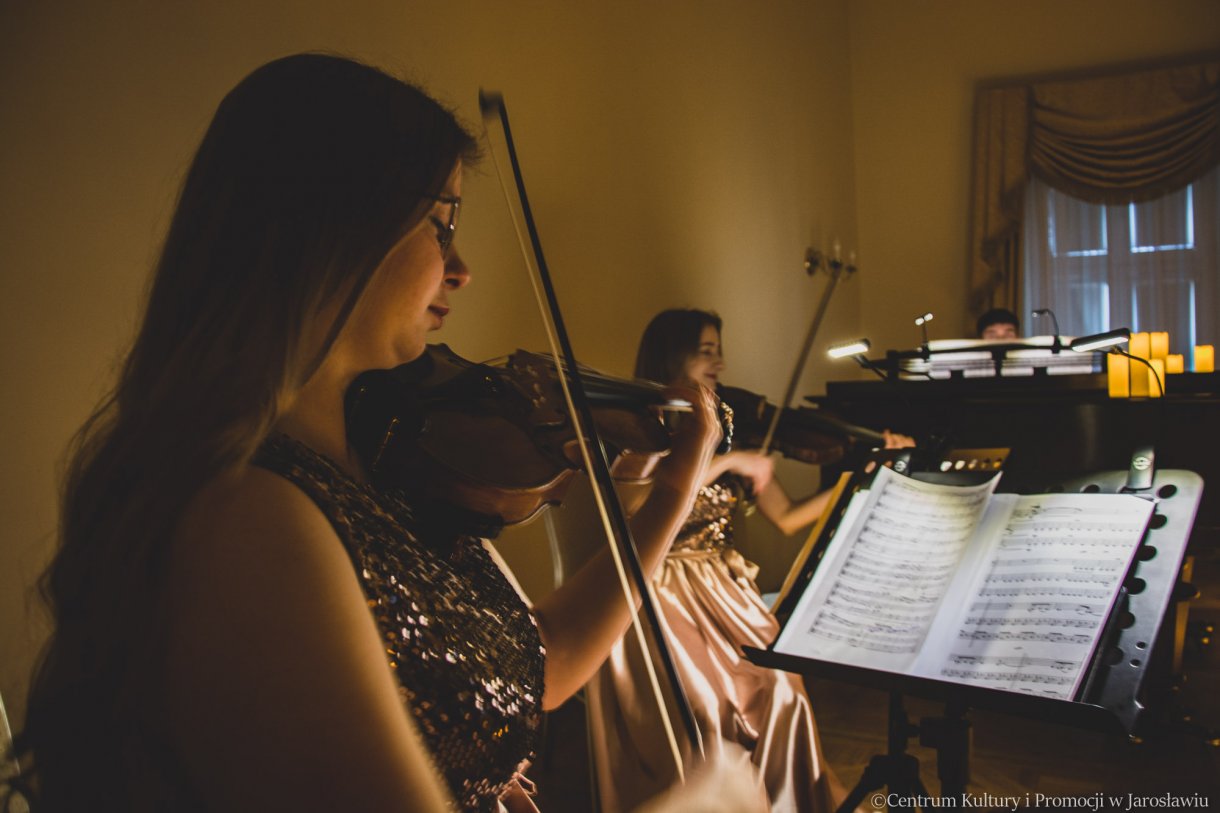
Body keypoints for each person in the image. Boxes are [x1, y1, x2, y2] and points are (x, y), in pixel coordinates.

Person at [11, 54, 725, 812]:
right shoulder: (251, 516)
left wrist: (674, 492)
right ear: (334, 224)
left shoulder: (385, 460)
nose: (462, 268)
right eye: (441, 223)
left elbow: (538, 665)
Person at [586, 309, 912, 812]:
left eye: (720, 349)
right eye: (707, 350)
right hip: (660, 595)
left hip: (724, 591)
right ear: (673, 355)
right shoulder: (636, 429)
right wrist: (731, 460)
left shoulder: (726, 427)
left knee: (784, 691)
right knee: (710, 710)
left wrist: (864, 472)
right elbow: (635, 511)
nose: (721, 360)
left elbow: (787, 517)